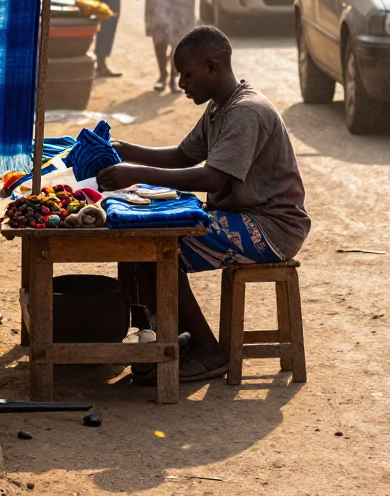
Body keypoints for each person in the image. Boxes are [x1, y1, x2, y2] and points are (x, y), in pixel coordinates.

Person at [97, 25, 310, 381]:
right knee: (137, 236)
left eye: (187, 74)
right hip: (240, 215)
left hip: (271, 227)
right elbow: (183, 155)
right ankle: (161, 337)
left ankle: (208, 351)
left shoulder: (246, 111)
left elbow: (212, 178)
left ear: (212, 67)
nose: (181, 83)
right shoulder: (219, 107)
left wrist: (134, 174)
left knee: (159, 244)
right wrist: (125, 150)